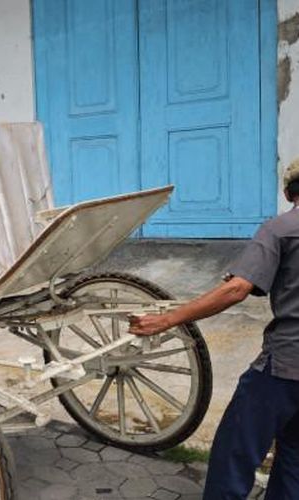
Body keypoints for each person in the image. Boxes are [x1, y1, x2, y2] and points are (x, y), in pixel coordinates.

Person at [129, 160, 299, 499]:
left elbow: (236, 289)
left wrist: (167, 319)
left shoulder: (280, 228)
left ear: (287, 192)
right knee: (295, 458)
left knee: (234, 453)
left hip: (285, 365)